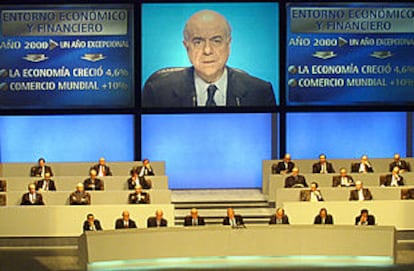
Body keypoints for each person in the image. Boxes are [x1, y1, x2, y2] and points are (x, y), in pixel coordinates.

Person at [142, 10, 276, 108]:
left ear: (228, 45)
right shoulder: (157, 93)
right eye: (198, 42)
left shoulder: (261, 93)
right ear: (186, 46)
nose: (207, 50)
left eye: (216, 41)